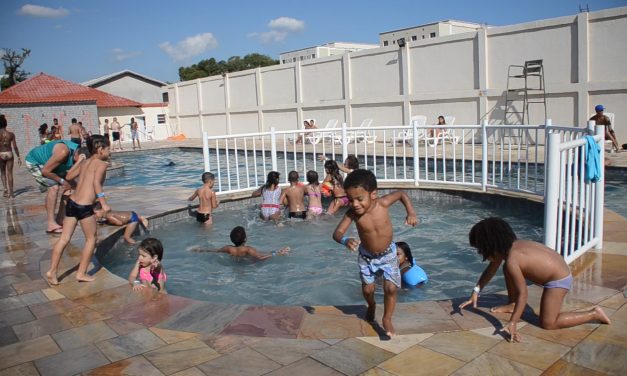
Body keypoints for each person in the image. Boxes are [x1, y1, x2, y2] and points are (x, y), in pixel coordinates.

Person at [459, 217, 611, 343]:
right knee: (506, 268)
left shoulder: (513, 260)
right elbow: (491, 269)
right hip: (556, 268)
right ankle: (512, 305)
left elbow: (523, 294)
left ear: (491, 246)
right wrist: (476, 290)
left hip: (558, 280)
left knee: (548, 323)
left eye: (480, 249)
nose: (480, 253)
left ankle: (593, 314)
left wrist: (513, 322)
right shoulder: (509, 248)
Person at [332, 169, 418, 337]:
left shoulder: (383, 203)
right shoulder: (353, 214)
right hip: (366, 257)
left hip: (388, 255)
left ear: (373, 194)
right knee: (368, 290)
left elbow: (401, 194)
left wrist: (411, 212)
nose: (354, 204)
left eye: (359, 199)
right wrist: (345, 240)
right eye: (350, 200)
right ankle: (371, 305)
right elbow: (337, 233)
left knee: (391, 288)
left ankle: (386, 318)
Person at [45, 135, 111, 285]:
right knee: (91, 240)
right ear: (100, 150)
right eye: (108, 149)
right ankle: (81, 273)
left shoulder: (85, 162)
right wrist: (104, 203)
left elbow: (68, 176)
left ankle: (52, 271)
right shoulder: (101, 164)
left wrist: (79, 161)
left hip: (72, 203)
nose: (109, 152)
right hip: (84, 207)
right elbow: (96, 184)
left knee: (64, 239)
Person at [25, 139, 87, 233]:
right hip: (37, 162)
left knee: (72, 186)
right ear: (78, 155)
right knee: (54, 187)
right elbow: (45, 171)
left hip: (54, 165)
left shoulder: (78, 156)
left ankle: (60, 218)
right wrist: (62, 181)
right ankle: (51, 224)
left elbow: (70, 178)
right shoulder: (63, 152)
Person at [194, 226, 290, 260]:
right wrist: (276, 254)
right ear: (245, 239)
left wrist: (200, 249)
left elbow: (214, 251)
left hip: (236, 265)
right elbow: (260, 258)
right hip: (249, 265)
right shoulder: (248, 249)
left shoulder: (229, 248)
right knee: (265, 252)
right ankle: (277, 251)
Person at [0, 115, 21, 198]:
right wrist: (18, 156)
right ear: (6, 124)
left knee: (2, 172)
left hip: (1, 153)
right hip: (9, 153)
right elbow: (15, 146)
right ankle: (11, 193)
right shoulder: (11, 134)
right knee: (10, 173)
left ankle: (5, 190)